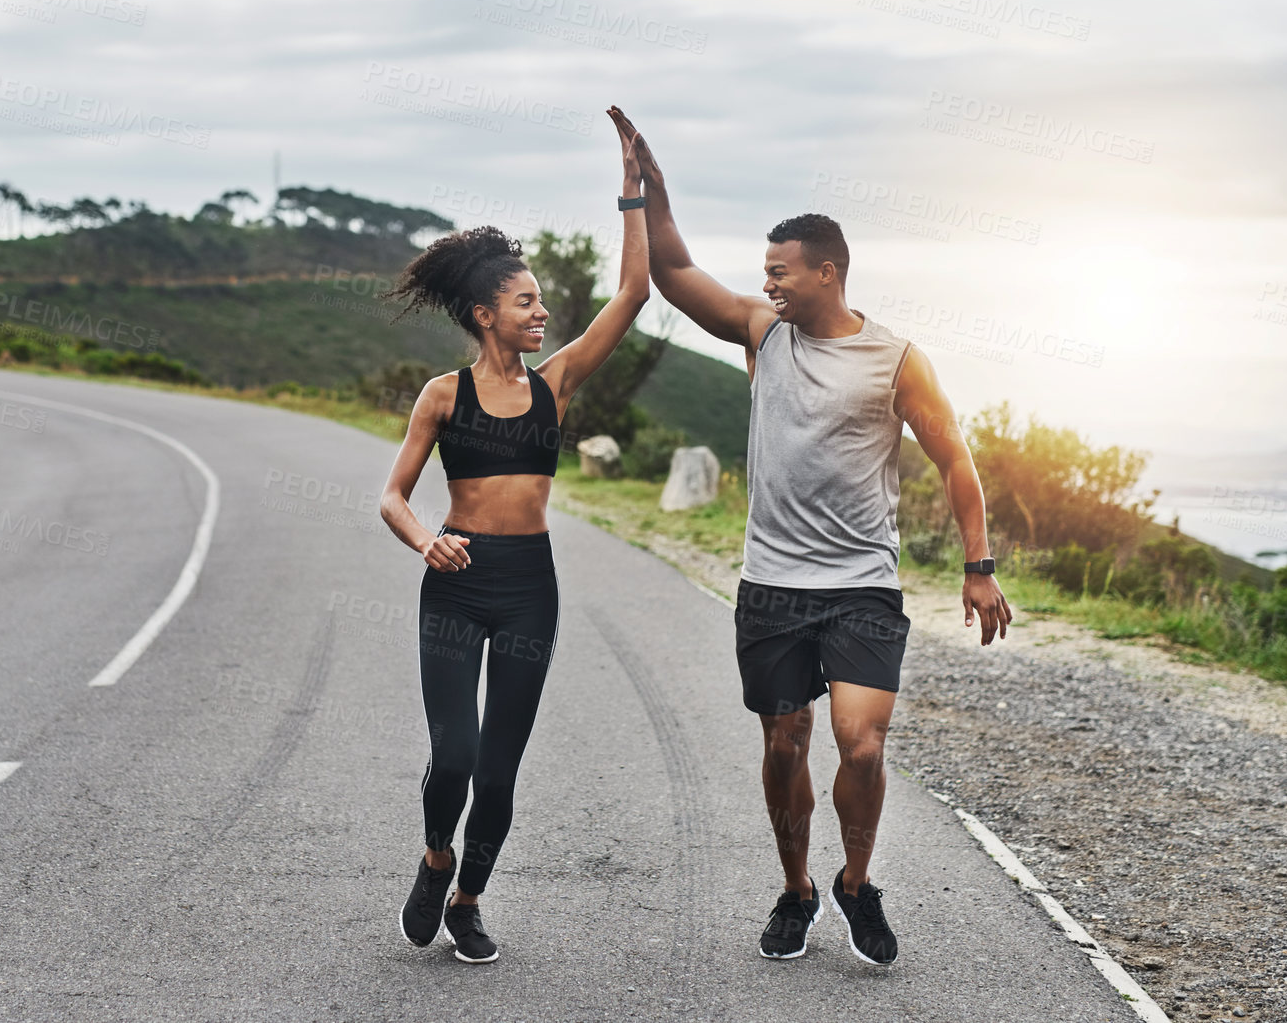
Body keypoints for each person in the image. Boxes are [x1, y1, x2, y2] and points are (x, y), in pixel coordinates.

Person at [609, 109, 1013, 966]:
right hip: (771, 586)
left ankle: (855, 884)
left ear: (827, 273)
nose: (770, 286)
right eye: (765, 274)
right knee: (783, 740)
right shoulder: (762, 333)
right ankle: (796, 889)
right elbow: (675, 270)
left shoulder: (895, 359)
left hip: (862, 584)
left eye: (782, 274)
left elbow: (955, 461)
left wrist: (978, 567)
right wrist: (651, 191)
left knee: (862, 742)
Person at [377, 107, 651, 964]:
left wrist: (631, 193)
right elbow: (392, 496)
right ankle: (433, 857)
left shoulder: (556, 384)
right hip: (455, 577)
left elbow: (632, 294)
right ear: (483, 312)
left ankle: (467, 899)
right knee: (454, 752)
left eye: (539, 302)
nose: (540, 313)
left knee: (498, 769)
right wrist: (427, 540)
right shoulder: (442, 396)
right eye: (524, 301)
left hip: (529, 584)